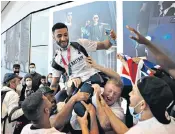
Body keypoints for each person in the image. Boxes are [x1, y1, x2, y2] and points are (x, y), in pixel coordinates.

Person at [51, 22, 116, 117]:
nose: (63, 39)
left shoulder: (79, 44)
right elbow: (54, 84)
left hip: (92, 78)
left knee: (79, 108)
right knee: (59, 102)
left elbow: (105, 45)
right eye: (59, 36)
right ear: (54, 37)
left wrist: (112, 38)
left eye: (65, 35)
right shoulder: (57, 60)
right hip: (76, 86)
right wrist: (47, 98)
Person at [100, 76, 175, 134]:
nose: (129, 94)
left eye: (133, 92)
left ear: (142, 105)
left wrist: (102, 105)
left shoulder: (139, 132)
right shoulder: (164, 115)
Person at [21, 89, 89, 134]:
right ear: (46, 110)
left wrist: (73, 99)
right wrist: (84, 125)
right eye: (46, 98)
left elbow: (55, 122)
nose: (52, 98)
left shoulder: (26, 129)